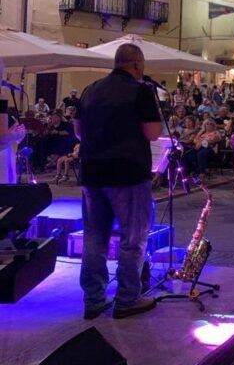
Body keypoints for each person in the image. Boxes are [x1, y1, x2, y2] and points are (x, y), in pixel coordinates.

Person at [75, 43, 162, 319]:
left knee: (94, 238)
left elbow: (78, 131)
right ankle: (126, 299)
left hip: (92, 174)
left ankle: (94, 299)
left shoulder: (90, 90)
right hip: (128, 175)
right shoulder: (141, 91)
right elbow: (152, 133)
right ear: (137, 64)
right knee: (132, 239)